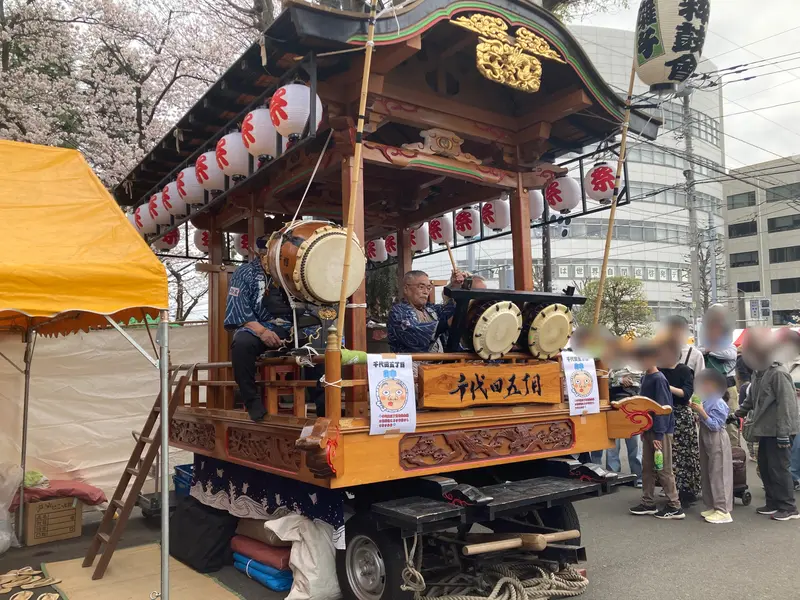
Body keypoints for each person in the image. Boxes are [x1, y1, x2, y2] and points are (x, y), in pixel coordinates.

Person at [225, 240, 322, 422]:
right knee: (241, 344)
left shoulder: (293, 269)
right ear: (263, 254)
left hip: (295, 325)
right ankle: (252, 401)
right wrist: (262, 331)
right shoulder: (245, 273)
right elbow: (238, 311)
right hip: (259, 326)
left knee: (320, 343)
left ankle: (324, 406)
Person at [736, 332, 800, 521]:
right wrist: (736, 414)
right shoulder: (759, 373)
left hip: (780, 430)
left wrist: (783, 433)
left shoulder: (778, 374)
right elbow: (751, 399)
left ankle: (789, 507)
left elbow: (787, 406)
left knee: (779, 469)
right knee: (765, 467)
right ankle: (773, 502)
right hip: (764, 429)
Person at [629, 346, 684, 520]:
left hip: (661, 431)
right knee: (648, 468)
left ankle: (675, 505)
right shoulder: (647, 377)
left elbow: (663, 408)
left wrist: (659, 435)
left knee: (663, 468)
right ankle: (648, 502)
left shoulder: (659, 379)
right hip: (649, 429)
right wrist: (644, 429)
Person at [690, 369, 734, 524]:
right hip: (705, 435)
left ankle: (723, 510)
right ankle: (712, 505)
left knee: (719, 473)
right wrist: (698, 413)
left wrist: (701, 411)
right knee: (708, 471)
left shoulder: (718, 402)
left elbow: (716, 425)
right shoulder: (708, 399)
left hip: (716, 438)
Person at [658, 344, 700, 505]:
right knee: (669, 455)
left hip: (681, 415)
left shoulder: (684, 370)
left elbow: (686, 394)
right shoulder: (659, 371)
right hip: (664, 414)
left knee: (684, 455)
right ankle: (670, 490)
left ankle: (686, 492)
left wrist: (667, 387)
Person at [387, 270, 463, 354]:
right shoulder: (398, 312)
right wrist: (446, 323)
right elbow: (416, 333)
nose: (425, 292)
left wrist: (456, 286)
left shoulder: (431, 309)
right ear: (406, 289)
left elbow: (450, 311)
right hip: (411, 364)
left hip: (438, 364)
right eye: (421, 287)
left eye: (428, 288)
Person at [699, 306, 740, 448]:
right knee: (710, 421)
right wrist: (707, 349)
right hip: (710, 390)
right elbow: (698, 351)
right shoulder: (705, 341)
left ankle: (734, 453)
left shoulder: (728, 343)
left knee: (730, 421)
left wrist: (711, 350)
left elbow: (731, 354)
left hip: (728, 386)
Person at [606, 365, 643, 487]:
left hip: (634, 407)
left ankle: (638, 477)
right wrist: (619, 380)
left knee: (635, 444)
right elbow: (602, 378)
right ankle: (612, 477)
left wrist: (631, 381)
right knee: (612, 446)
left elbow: (644, 378)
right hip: (612, 406)